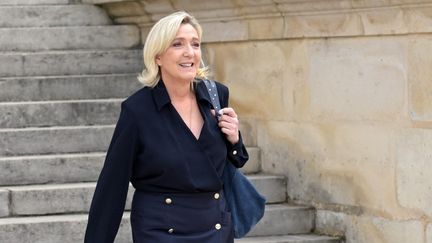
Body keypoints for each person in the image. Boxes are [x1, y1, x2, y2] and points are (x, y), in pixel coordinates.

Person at [84, 11, 249, 243]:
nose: (189, 53)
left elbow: (234, 160)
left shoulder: (216, 95)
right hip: (161, 232)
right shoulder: (137, 110)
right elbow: (112, 186)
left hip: (216, 229)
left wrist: (234, 139)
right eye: (177, 44)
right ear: (158, 56)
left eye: (195, 44)